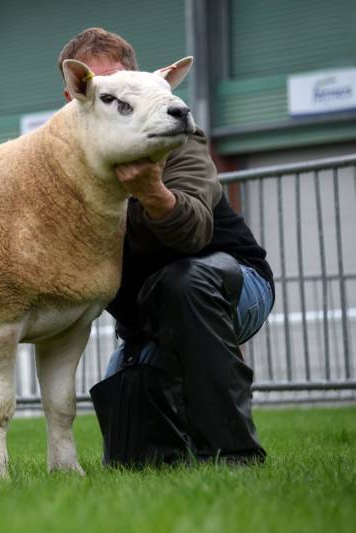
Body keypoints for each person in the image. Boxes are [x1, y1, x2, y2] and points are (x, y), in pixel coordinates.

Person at [57, 28, 274, 465]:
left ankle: (236, 455)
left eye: (124, 79)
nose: (120, 94)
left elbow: (192, 235)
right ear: (75, 94)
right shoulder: (61, 166)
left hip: (230, 289)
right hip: (146, 323)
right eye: (104, 88)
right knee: (133, 460)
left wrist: (153, 193)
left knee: (185, 282)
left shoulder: (178, 138)